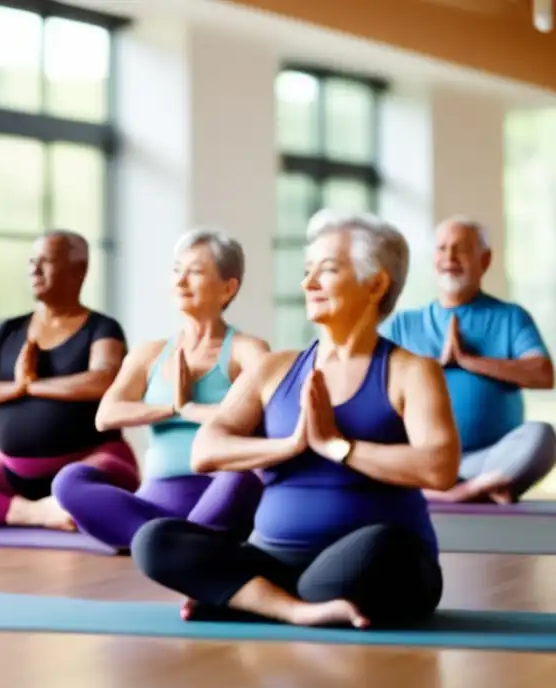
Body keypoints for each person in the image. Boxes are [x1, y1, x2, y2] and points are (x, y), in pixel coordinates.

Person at [132, 210, 461, 629]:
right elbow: (205, 450)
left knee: (389, 546)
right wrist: (290, 445)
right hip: (274, 560)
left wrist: (337, 446)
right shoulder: (275, 368)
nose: (308, 285)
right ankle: (297, 609)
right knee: (154, 540)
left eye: (326, 271)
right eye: (307, 272)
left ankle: (250, 599)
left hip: (371, 565)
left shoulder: (410, 371)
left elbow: (440, 468)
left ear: (375, 283)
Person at [51, 228, 268, 549]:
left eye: (194, 272)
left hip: (218, 492)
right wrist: (172, 408)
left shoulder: (247, 350)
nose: (180, 281)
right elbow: (107, 415)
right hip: (155, 500)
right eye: (176, 270)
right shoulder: (150, 353)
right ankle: (173, 545)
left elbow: (263, 419)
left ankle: (161, 544)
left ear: (227, 287)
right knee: (68, 481)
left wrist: (193, 409)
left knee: (244, 476)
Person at [0, 230, 140, 531]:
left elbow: (104, 379)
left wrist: (34, 386)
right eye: (32, 261)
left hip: (89, 463)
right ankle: (35, 513)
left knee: (90, 479)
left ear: (78, 270)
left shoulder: (101, 328)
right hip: (12, 472)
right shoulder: (6, 331)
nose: (34, 269)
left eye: (46, 261)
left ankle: (54, 503)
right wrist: (16, 387)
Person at [380, 216, 556, 504]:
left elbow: (543, 374)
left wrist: (468, 360)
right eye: (442, 248)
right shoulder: (402, 324)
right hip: (423, 460)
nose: (449, 257)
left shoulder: (510, 317)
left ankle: (463, 488)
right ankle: (463, 492)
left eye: (461, 249)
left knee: (542, 436)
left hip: (487, 461)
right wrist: (434, 365)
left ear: (484, 260)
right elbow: (370, 380)